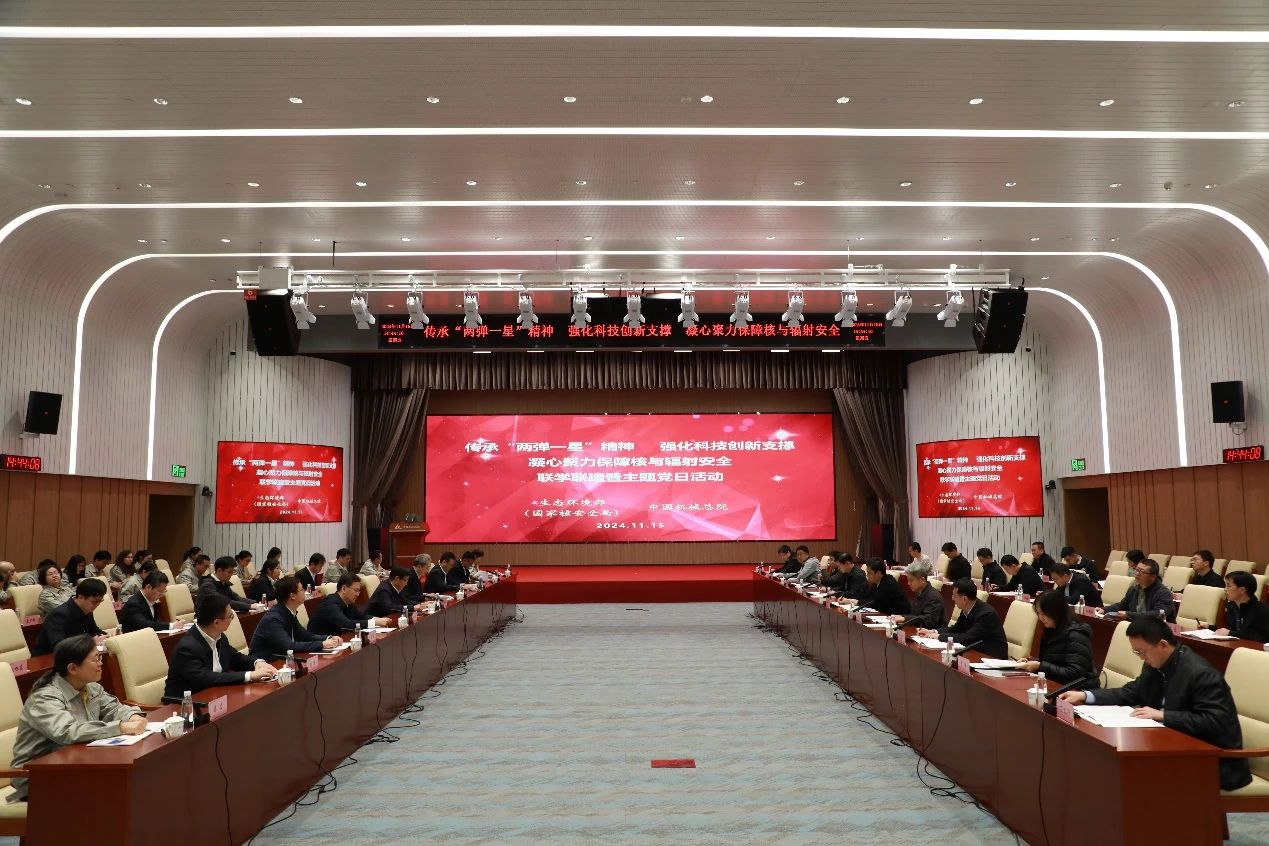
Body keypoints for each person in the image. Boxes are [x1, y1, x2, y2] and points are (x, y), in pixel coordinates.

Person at [1060, 615, 1251, 791]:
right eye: (1137, 653)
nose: (1141, 658)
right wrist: (1086, 696)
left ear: (1162, 645)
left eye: (1142, 652)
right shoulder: (1157, 663)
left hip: (1215, 761)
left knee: (1132, 775)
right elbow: (1132, 692)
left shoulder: (1201, 674)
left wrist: (1163, 715)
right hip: (1173, 746)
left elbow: (1215, 721)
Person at [7, 635, 146, 801]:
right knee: (115, 790)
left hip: (75, 766)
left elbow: (114, 709)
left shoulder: (91, 687)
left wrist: (133, 717)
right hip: (36, 778)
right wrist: (121, 727)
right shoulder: (44, 698)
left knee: (131, 783)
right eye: (95, 659)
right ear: (73, 668)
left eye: (100, 657)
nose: (101, 663)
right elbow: (68, 732)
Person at [165, 593, 275, 699]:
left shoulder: (219, 637)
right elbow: (206, 678)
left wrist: (257, 663)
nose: (232, 619)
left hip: (216, 696)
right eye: (230, 616)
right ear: (216, 622)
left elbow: (236, 658)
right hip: (185, 704)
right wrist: (250, 675)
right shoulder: (187, 648)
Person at [248, 576, 340, 661]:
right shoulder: (273, 619)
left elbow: (303, 635)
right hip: (265, 663)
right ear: (292, 596)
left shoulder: (287, 611)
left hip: (281, 658)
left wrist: (328, 638)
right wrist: (322, 644)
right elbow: (288, 646)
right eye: (301, 589)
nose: (305, 591)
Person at [920, 578, 1008, 660]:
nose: (952, 598)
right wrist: (934, 632)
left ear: (965, 599)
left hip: (991, 658)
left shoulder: (986, 615)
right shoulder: (967, 609)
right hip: (975, 653)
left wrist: (939, 636)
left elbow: (966, 638)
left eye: (955, 596)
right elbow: (955, 629)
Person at [1021, 591, 1095, 686]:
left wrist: (1040, 666)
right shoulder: (1051, 629)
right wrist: (1031, 662)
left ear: (1056, 611)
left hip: (1079, 689)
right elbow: (1054, 660)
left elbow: (1074, 673)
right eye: (1038, 613)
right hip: (1057, 684)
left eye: (1044, 613)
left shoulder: (1076, 635)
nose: (1041, 617)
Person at [34, 579, 108, 656]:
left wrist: (109, 638)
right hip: (48, 658)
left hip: (77, 655)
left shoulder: (87, 610)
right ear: (81, 597)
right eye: (95, 601)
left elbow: (95, 631)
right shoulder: (59, 615)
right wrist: (90, 643)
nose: (98, 604)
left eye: (100, 601)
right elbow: (59, 647)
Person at [309, 574, 391, 635]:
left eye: (359, 591)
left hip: (336, 640)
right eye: (356, 590)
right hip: (319, 644)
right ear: (344, 589)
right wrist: (374, 622)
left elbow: (361, 617)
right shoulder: (330, 604)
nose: (358, 594)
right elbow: (346, 624)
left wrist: (378, 619)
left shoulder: (348, 602)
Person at [1103, 556, 1173, 621]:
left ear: (1153, 576)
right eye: (1136, 570)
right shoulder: (1133, 589)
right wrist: (1104, 610)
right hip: (1137, 625)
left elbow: (1158, 615)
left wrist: (1129, 615)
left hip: (1158, 628)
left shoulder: (1163, 593)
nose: (1137, 573)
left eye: (1141, 571)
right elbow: (1122, 605)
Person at [1211, 571, 1269, 642]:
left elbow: (1261, 638)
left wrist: (1231, 633)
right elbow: (1227, 631)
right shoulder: (1231, 607)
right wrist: (1209, 627)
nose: (1225, 589)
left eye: (1228, 585)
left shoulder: (1263, 611)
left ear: (1242, 590)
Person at [892, 561, 944, 629]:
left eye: (911, 580)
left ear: (922, 580)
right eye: (908, 580)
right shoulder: (920, 592)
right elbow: (914, 614)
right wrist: (902, 616)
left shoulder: (934, 597)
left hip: (930, 633)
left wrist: (905, 618)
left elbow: (928, 620)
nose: (908, 583)